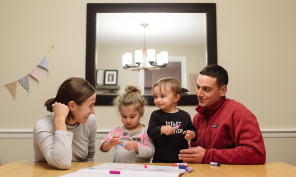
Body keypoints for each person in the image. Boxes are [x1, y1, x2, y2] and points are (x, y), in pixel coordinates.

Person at [179, 64, 266, 164]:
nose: (198, 93)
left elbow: (256, 153)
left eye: (206, 89)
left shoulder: (238, 112)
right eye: (198, 87)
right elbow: (195, 155)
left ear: (223, 90)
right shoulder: (198, 118)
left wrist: (208, 156)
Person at [33, 77, 97, 169]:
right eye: (90, 105)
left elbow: (89, 159)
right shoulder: (42, 125)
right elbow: (62, 162)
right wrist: (59, 119)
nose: (93, 111)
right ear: (72, 106)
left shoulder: (90, 121)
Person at [147, 77, 197, 163]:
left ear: (176, 98)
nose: (158, 100)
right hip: (160, 160)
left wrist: (192, 134)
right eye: (155, 96)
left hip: (182, 159)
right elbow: (150, 132)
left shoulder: (184, 116)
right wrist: (161, 129)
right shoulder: (156, 115)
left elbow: (193, 130)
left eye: (162, 96)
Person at [100, 85, 155, 163]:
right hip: (119, 171)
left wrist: (136, 146)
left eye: (132, 116)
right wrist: (110, 143)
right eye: (124, 116)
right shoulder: (116, 130)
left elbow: (151, 152)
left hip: (140, 172)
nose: (128, 120)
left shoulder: (146, 132)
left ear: (141, 113)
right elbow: (102, 147)